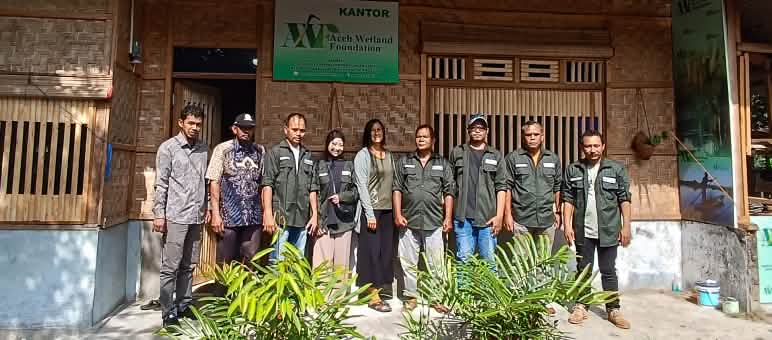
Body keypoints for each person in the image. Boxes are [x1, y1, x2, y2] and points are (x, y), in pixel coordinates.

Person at [562, 129, 632, 329]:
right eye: (587, 146)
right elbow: (568, 199)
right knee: (582, 270)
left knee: (609, 270)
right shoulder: (574, 169)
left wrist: (626, 226)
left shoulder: (616, 169)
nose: (592, 150)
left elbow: (624, 199)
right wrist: (567, 225)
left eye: (595, 145)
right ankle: (581, 306)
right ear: (581, 147)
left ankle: (613, 309)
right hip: (583, 229)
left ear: (603, 146)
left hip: (609, 229)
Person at [152, 103, 209, 327]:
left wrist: (208, 210)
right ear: (181, 123)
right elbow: (161, 183)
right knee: (170, 267)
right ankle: (168, 311)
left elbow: (206, 182)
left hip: (196, 216)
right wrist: (159, 214)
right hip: (175, 216)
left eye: (198, 124)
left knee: (189, 265)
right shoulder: (168, 148)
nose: (195, 127)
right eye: (191, 123)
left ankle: (185, 305)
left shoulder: (204, 149)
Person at [393, 124, 455, 312]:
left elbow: (449, 192)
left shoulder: (443, 164)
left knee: (436, 263)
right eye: (418, 136)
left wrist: (448, 218)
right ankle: (411, 297)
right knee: (408, 262)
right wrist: (397, 214)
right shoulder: (405, 162)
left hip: (434, 220)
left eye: (425, 137)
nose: (421, 139)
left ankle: (436, 298)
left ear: (433, 140)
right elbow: (397, 189)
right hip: (409, 220)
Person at [206, 113, 265, 265]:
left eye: (250, 128)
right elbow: (214, 181)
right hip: (229, 217)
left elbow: (264, 184)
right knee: (225, 262)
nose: (247, 131)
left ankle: (247, 290)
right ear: (234, 129)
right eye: (243, 128)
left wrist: (266, 212)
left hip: (253, 218)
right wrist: (215, 214)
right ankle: (221, 290)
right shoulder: (223, 149)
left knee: (251, 260)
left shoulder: (260, 151)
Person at [261, 113, 319, 261]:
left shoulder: (308, 155)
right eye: (295, 129)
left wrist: (315, 215)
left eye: (302, 130)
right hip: (280, 218)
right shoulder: (275, 152)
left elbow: (312, 188)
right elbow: (267, 185)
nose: (299, 133)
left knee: (297, 263)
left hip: (302, 219)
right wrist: (267, 213)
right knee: (277, 262)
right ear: (286, 130)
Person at [495, 120, 562, 245]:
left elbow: (557, 187)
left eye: (536, 134)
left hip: (546, 219)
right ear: (522, 137)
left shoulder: (553, 158)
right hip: (521, 219)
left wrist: (558, 213)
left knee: (544, 260)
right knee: (522, 261)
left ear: (542, 137)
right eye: (528, 135)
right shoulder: (513, 158)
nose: (532, 138)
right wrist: (507, 214)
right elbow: (507, 187)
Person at [354, 119, 396, 312]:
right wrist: (369, 214)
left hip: (388, 211)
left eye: (379, 129)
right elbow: (361, 185)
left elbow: (395, 183)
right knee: (371, 252)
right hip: (371, 211)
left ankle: (380, 287)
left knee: (385, 251)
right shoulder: (362, 155)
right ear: (367, 133)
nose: (376, 133)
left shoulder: (389, 155)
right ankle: (373, 296)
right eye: (372, 130)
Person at [448, 114, 501, 267]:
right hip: (463, 219)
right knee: (464, 261)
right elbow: (450, 185)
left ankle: (489, 292)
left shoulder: (495, 155)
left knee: (490, 262)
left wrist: (499, 216)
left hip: (487, 219)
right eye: (473, 128)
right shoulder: (457, 152)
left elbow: (502, 187)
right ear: (468, 130)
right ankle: (464, 292)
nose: (477, 131)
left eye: (481, 128)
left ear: (487, 131)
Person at [312, 129, 358, 272]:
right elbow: (314, 192)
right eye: (334, 144)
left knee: (341, 267)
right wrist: (316, 220)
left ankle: (339, 295)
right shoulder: (319, 165)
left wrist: (342, 197)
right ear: (327, 144)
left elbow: (356, 192)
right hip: (323, 223)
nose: (337, 148)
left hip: (343, 222)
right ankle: (322, 295)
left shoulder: (349, 165)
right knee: (321, 266)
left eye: (340, 145)